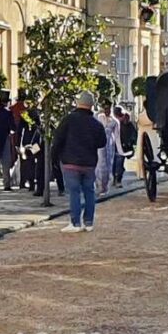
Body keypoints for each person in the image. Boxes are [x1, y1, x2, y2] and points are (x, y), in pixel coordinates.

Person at [51, 91, 107, 233]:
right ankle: (89, 222)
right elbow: (102, 142)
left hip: (70, 162)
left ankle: (75, 222)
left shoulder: (68, 119)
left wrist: (55, 158)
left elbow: (57, 139)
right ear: (91, 105)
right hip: (89, 163)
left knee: (74, 192)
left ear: (78, 103)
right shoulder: (96, 123)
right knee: (89, 192)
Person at [95, 102, 124, 195]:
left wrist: (120, 151)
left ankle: (106, 186)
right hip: (99, 143)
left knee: (108, 165)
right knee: (99, 164)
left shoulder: (115, 121)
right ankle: (99, 185)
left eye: (109, 108)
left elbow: (117, 137)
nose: (107, 110)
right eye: (105, 108)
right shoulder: (98, 118)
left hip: (110, 144)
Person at [114, 106, 136, 187]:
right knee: (116, 163)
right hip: (116, 146)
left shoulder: (127, 123)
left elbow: (133, 134)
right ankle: (116, 179)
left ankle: (117, 179)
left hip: (123, 146)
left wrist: (130, 142)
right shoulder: (115, 122)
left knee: (118, 163)